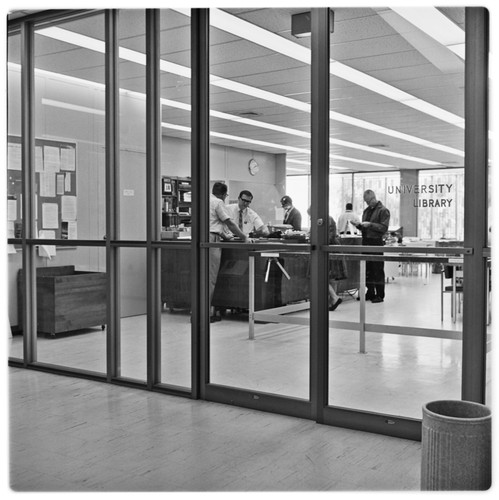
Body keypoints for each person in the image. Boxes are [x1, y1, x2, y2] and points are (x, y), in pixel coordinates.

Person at [209, 182, 249, 322]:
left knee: (200, 277)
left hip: (201, 238)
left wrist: (225, 236)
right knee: (210, 278)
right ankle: (206, 313)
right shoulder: (218, 202)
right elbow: (229, 223)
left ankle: (196, 310)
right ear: (223, 194)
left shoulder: (203, 199)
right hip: (211, 240)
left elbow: (212, 224)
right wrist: (244, 237)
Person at [307, 207, 347, 311]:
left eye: (311, 215)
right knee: (332, 277)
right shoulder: (329, 218)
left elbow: (323, 237)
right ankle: (332, 302)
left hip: (325, 250)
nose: (310, 218)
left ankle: (334, 298)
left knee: (320, 275)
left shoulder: (321, 221)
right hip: (333, 249)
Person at [354, 189, 390, 303]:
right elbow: (365, 227)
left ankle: (380, 295)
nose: (367, 203)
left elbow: (383, 228)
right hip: (366, 241)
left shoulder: (383, 211)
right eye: (365, 201)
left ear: (373, 198)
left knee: (377, 269)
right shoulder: (366, 211)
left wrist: (370, 224)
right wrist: (358, 225)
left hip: (376, 242)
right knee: (367, 269)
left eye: (368, 201)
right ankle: (370, 292)